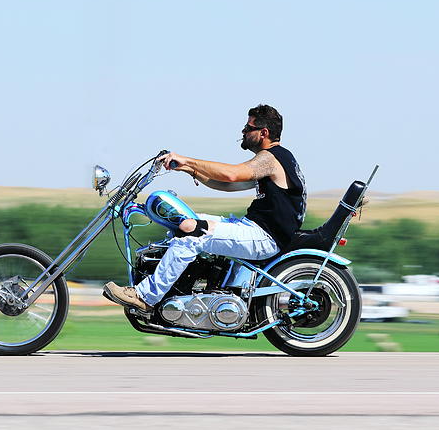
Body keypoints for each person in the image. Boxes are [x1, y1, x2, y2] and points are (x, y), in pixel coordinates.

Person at [103, 104, 307, 312]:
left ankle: (145, 297)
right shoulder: (277, 159)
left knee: (193, 231)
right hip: (255, 228)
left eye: (248, 128)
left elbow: (231, 174)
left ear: (264, 133)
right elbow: (228, 185)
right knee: (186, 220)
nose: (243, 132)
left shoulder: (270, 158)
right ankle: (178, 289)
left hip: (265, 237)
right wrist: (188, 169)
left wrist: (187, 159)